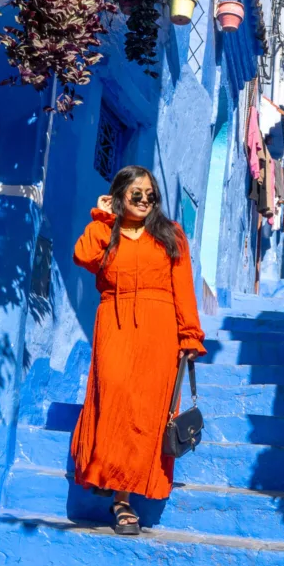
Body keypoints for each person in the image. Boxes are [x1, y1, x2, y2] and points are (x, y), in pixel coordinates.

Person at [71, 166, 206, 535]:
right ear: (119, 196)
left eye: (151, 194)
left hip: (159, 330)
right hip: (113, 324)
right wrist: (102, 216)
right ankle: (106, 471)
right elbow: (83, 256)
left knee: (145, 412)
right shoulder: (106, 230)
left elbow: (183, 287)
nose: (145, 200)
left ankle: (123, 500)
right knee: (114, 398)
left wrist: (189, 336)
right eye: (136, 194)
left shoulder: (170, 234)